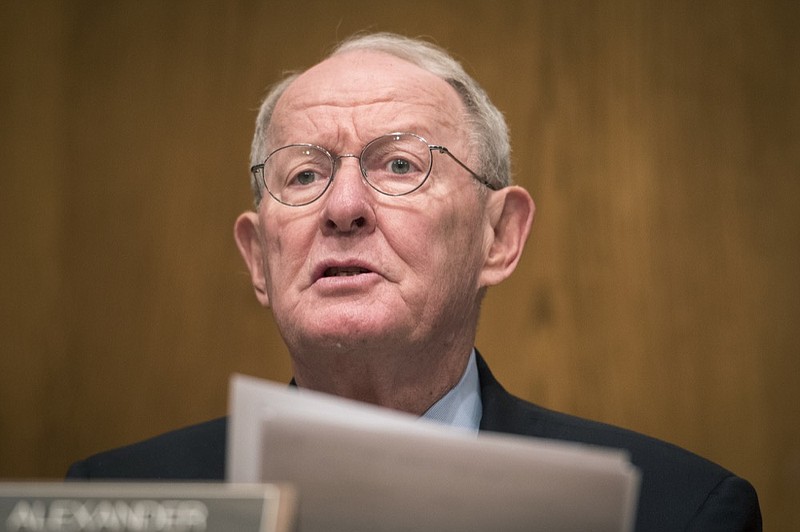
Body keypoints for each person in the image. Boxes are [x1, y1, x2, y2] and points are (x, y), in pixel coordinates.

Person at [67, 32, 761, 531]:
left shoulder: (676, 510)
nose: (342, 208)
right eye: (304, 174)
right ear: (257, 257)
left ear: (498, 236)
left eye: (399, 166)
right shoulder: (115, 501)